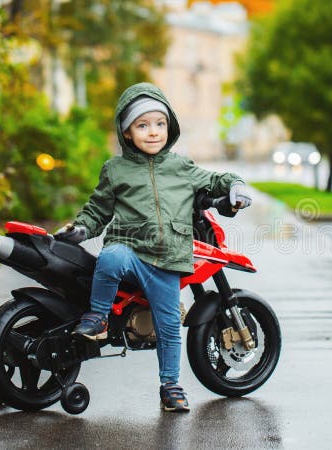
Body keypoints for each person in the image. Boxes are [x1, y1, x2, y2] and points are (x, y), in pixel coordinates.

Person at [54, 82, 251, 412]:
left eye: (160, 124)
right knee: (111, 257)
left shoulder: (180, 167)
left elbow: (215, 180)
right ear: (127, 132)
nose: (153, 132)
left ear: (169, 126)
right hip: (130, 249)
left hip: (167, 259)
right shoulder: (115, 169)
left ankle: (171, 385)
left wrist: (236, 187)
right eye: (142, 125)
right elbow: (98, 209)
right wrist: (81, 228)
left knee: (169, 325)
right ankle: (99, 318)